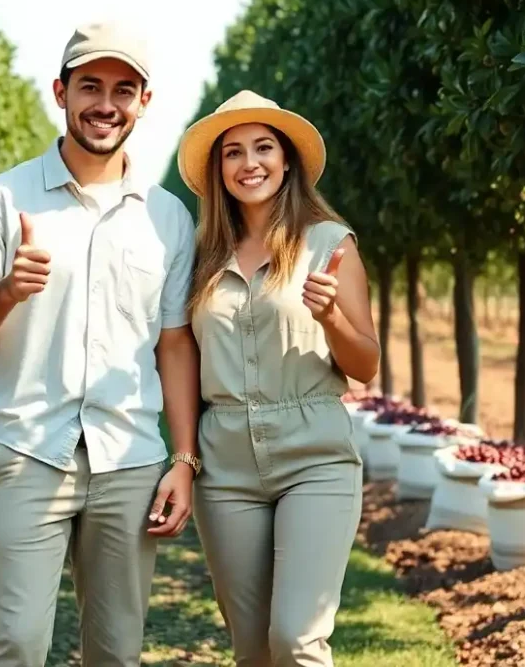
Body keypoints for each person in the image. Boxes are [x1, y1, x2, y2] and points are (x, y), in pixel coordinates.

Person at [0, 22, 202, 667]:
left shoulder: (168, 218)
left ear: (143, 102)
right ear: (61, 92)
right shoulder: (1, 200)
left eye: (122, 89)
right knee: (18, 643)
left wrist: (185, 460)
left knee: (116, 652)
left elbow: (173, 345)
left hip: (130, 457)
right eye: (90, 86)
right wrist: (6, 291)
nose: (105, 104)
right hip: (30, 448)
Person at [176, 90, 380, 667]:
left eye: (263, 147)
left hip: (313, 459)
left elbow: (365, 364)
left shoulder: (328, 243)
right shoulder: (200, 256)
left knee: (296, 640)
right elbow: (183, 358)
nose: (250, 163)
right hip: (226, 469)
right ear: (219, 170)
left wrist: (331, 316)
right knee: (253, 649)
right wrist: (185, 460)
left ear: (286, 159)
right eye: (233, 153)